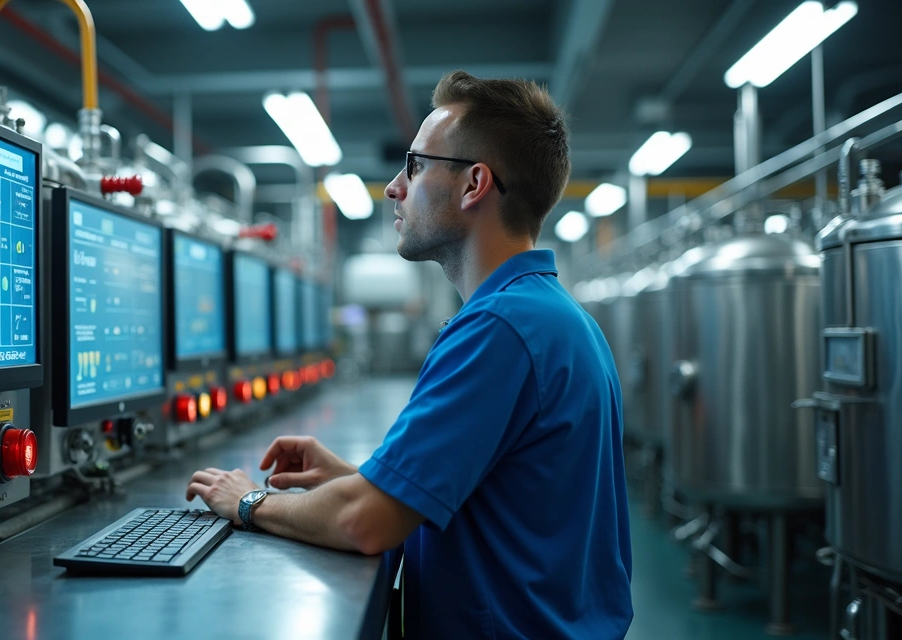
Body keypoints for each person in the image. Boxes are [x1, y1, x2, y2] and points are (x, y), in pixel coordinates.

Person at [185, 70, 633, 639]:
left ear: (474, 184)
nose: (395, 187)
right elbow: (490, 501)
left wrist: (246, 501)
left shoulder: (501, 328)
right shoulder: (556, 318)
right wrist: (361, 477)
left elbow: (364, 523)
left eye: (416, 165)